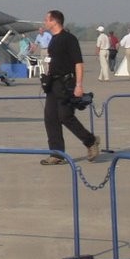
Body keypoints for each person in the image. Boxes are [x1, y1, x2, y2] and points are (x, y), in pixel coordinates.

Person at [40, 10, 98, 164]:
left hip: (66, 83)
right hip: (53, 83)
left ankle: (90, 141)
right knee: (50, 118)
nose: (44, 22)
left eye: (47, 19)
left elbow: (78, 63)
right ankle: (57, 154)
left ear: (54, 21)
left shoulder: (69, 39)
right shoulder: (53, 40)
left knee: (65, 116)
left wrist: (79, 85)